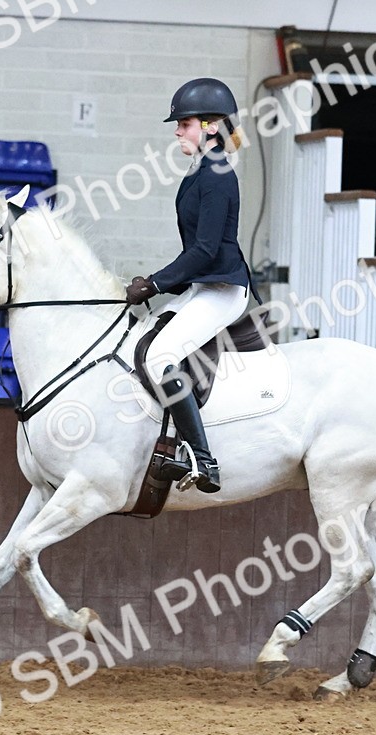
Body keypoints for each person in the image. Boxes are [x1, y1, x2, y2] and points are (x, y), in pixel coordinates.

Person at [123, 77, 260, 494]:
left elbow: (204, 250)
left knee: (162, 353)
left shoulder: (217, 176)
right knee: (144, 340)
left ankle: (203, 460)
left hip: (224, 289)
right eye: (179, 124)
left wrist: (155, 283)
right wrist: (157, 285)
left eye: (184, 123)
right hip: (205, 285)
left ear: (211, 126)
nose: (178, 130)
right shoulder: (201, 170)